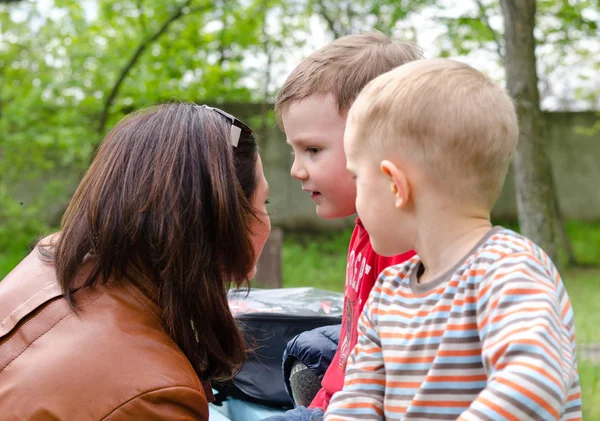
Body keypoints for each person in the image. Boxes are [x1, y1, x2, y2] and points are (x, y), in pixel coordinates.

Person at [325, 58, 582, 420]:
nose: (356, 200)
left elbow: (535, 382)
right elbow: (357, 401)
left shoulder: (508, 270)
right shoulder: (387, 293)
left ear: (396, 185)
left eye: (357, 179)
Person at [0, 103, 271, 420]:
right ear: (222, 222)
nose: (267, 219)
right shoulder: (156, 397)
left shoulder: (53, 256)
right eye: (264, 202)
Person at [264, 31, 422, 421]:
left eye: (313, 150)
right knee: (305, 346)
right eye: (294, 150)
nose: (296, 170)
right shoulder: (369, 226)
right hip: (348, 385)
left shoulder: (407, 243)